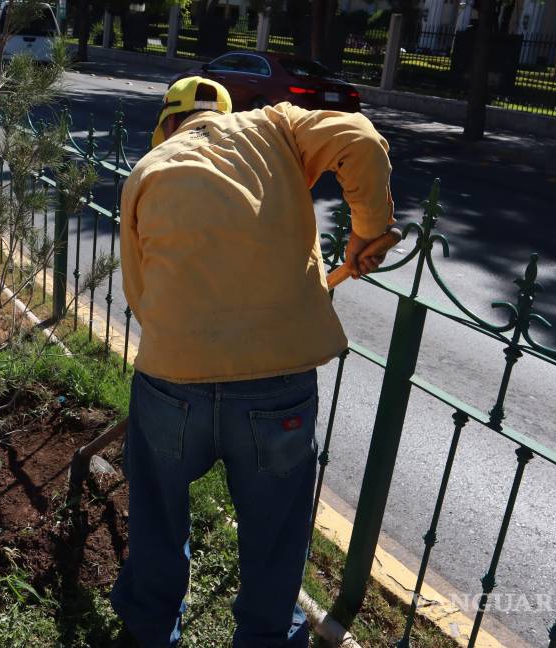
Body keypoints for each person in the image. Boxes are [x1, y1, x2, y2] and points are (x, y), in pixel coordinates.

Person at [111, 76, 395, 647]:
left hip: (173, 381)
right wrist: (369, 230)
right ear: (227, 111)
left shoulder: (148, 169)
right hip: (277, 387)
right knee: (276, 529)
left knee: (156, 512)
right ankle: (265, 638)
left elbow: (140, 293)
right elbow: (360, 141)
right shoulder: (276, 126)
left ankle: (149, 629)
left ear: (166, 125)